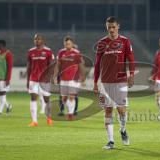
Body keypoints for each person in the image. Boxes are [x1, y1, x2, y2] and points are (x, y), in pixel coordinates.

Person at [94, 16, 135, 149]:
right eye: (109, 27)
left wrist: (132, 74)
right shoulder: (101, 43)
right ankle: (111, 141)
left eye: (113, 27)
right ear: (106, 27)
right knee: (107, 111)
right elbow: (97, 64)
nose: (111, 30)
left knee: (122, 110)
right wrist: (95, 82)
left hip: (121, 81)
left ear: (118, 26)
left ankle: (123, 130)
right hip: (105, 83)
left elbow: (131, 59)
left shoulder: (125, 41)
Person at [54, 36, 85, 120]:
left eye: (69, 43)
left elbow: (81, 66)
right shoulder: (61, 52)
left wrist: (83, 78)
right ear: (64, 44)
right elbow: (57, 65)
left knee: (72, 96)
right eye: (66, 43)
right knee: (64, 98)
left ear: (72, 44)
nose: (67, 45)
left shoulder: (76, 53)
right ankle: (69, 110)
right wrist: (55, 76)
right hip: (63, 78)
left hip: (74, 79)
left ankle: (70, 114)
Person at [27, 34, 54, 126]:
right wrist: (27, 80)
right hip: (33, 79)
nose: (37, 41)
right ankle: (34, 121)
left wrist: (49, 77)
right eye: (35, 39)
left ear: (43, 40)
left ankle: (49, 118)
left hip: (44, 80)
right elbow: (29, 66)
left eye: (39, 39)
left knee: (46, 99)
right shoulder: (31, 51)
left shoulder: (48, 51)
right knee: (33, 98)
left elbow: (51, 66)